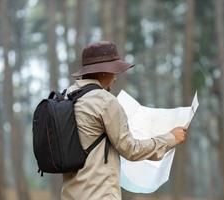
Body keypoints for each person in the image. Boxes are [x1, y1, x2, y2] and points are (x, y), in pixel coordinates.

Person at [61, 41, 187, 200]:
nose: (115, 78)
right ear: (103, 72)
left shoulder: (68, 96)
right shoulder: (105, 101)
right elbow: (131, 149)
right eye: (114, 71)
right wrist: (170, 138)